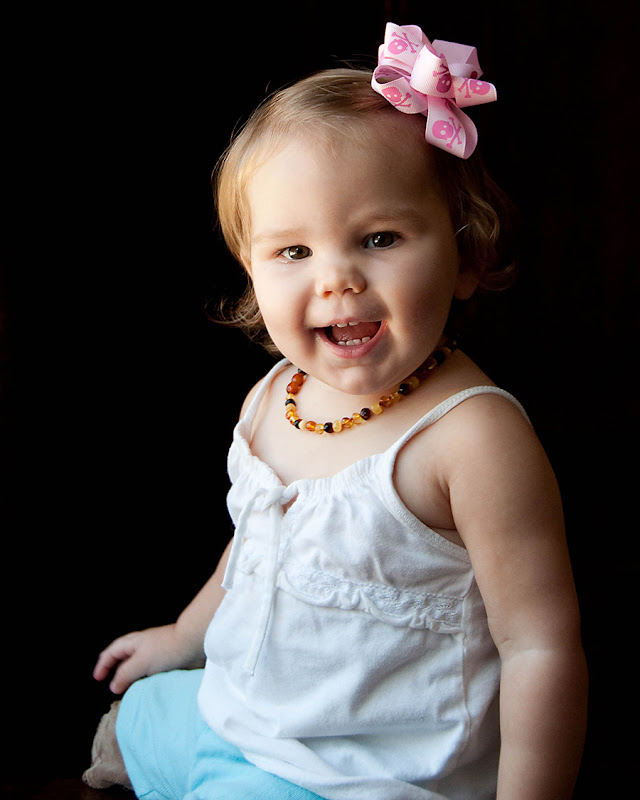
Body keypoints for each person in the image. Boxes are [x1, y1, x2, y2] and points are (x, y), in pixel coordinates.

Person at [87, 23, 587, 800]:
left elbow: (539, 648)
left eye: (379, 237)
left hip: (357, 776)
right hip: (249, 714)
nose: (336, 280)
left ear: (467, 256)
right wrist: (184, 637)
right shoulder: (273, 398)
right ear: (251, 270)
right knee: (148, 709)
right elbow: (255, 550)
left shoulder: (472, 439)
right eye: (294, 252)